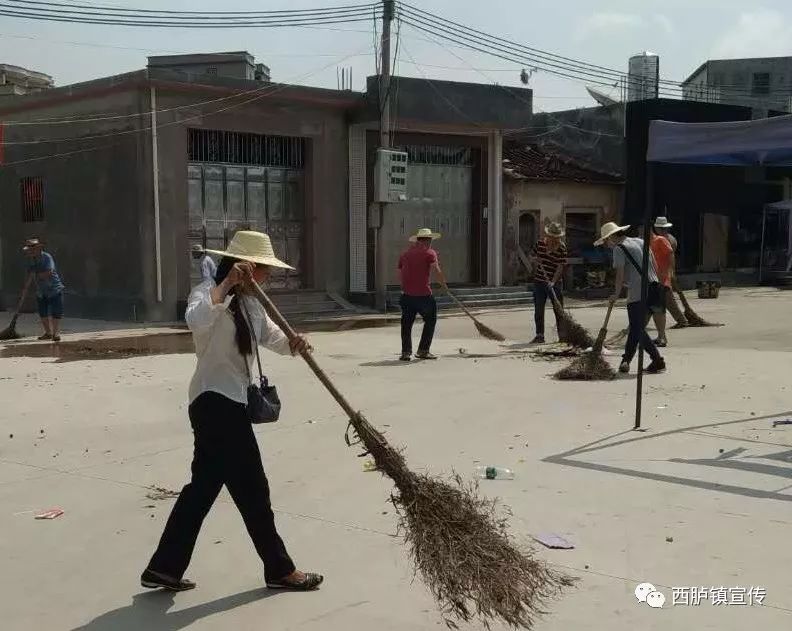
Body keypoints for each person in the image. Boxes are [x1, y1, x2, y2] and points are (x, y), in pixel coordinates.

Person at [141, 230, 323, 593]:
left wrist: (295, 344)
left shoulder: (253, 303)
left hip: (233, 403)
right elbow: (196, 320)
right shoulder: (208, 292)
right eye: (263, 269)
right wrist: (225, 284)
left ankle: (163, 568)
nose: (267, 276)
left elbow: (272, 337)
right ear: (245, 267)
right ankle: (280, 570)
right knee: (254, 490)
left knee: (202, 489)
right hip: (214, 402)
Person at [595, 222, 666, 374]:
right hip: (654, 287)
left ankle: (657, 360)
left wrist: (616, 293)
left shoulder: (619, 249)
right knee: (635, 327)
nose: (606, 244)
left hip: (638, 292)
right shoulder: (640, 241)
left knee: (637, 328)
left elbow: (619, 275)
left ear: (612, 237)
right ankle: (625, 361)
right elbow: (654, 265)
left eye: (606, 240)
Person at [398, 227, 447, 362]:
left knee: (406, 324)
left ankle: (406, 352)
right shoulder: (429, 253)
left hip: (407, 295)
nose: (431, 243)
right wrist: (443, 284)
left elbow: (400, 272)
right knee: (430, 320)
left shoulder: (405, 254)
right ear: (427, 240)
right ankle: (423, 350)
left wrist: (404, 288)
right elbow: (436, 270)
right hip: (423, 295)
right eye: (430, 240)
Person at [528, 221, 568, 344]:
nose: (554, 240)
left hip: (555, 283)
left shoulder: (562, 248)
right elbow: (530, 256)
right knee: (539, 309)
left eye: (557, 237)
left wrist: (553, 281)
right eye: (552, 237)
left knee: (558, 309)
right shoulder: (540, 244)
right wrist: (536, 259)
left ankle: (562, 335)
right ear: (548, 235)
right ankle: (540, 335)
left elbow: (560, 267)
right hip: (539, 282)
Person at [23, 238, 65, 342]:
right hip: (41, 290)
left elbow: (49, 272)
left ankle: (55, 334)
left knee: (56, 311)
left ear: (38, 249)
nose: (30, 252)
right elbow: (30, 275)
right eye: (28, 250)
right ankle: (48, 333)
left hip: (54, 288)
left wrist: (37, 275)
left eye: (31, 250)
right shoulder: (30, 260)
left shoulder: (47, 257)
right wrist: (25, 289)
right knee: (43, 312)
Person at [654, 216, 688, 328]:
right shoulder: (670, 238)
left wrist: (670, 271)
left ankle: (682, 320)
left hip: (664, 273)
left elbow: (670, 255)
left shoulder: (664, 240)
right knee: (665, 299)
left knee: (668, 299)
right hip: (663, 272)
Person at [649, 226, 675, 347]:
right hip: (652, 280)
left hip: (662, 280)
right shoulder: (646, 243)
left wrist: (670, 272)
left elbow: (670, 254)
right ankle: (661, 336)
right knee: (655, 310)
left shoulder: (660, 240)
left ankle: (662, 337)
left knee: (659, 310)